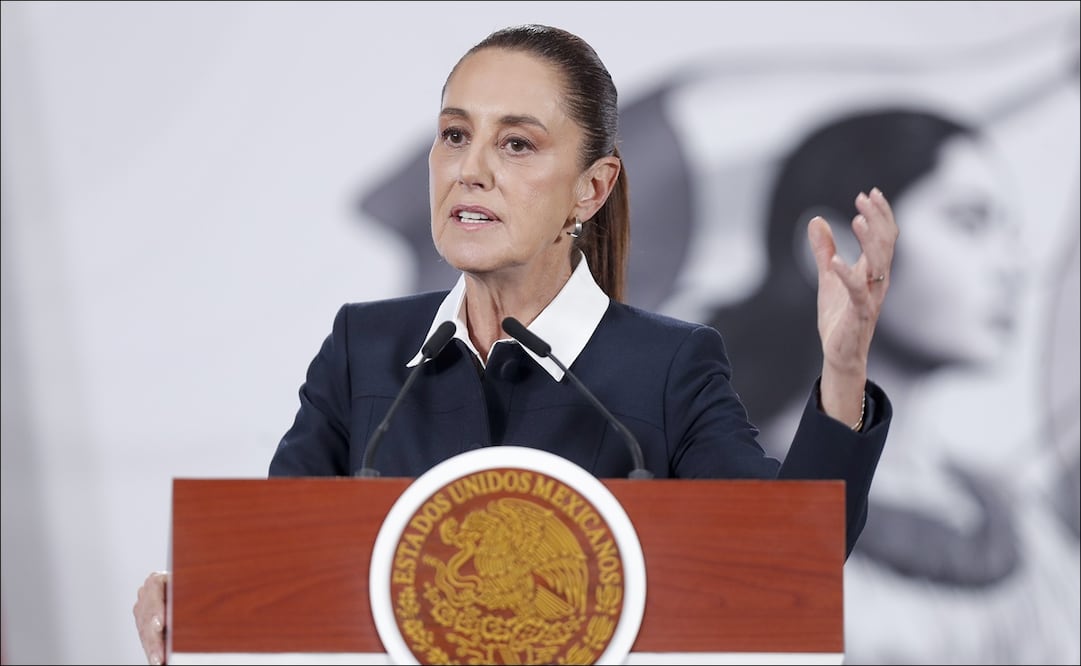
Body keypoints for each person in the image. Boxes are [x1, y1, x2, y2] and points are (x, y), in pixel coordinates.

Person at [132, 24, 897, 665]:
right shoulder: (364, 349)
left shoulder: (668, 366)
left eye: (517, 145)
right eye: (454, 135)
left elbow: (787, 562)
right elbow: (277, 578)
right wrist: (197, 608)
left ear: (590, 189)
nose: (470, 169)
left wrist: (840, 369)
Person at [706, 107, 1079, 664]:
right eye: (970, 222)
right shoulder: (720, 506)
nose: (1015, 264)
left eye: (1011, 231)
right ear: (838, 251)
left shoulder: (1028, 529)